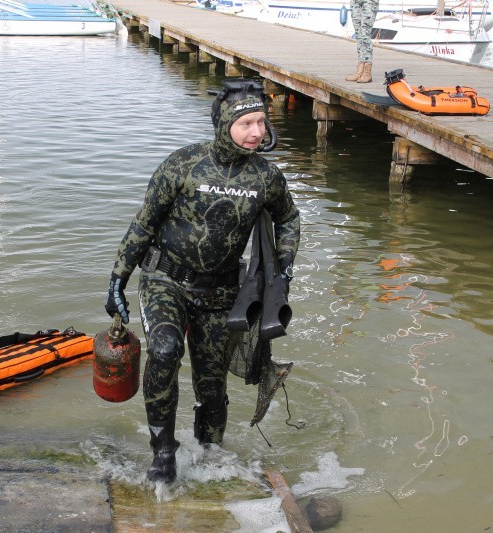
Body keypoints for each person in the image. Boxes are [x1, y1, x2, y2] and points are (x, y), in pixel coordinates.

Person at [104, 79, 301, 483]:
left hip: (222, 291)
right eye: (247, 123)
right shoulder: (183, 165)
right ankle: (163, 451)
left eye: (262, 122)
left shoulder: (266, 177)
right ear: (224, 123)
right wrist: (118, 278)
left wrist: (283, 270)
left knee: (211, 385)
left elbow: (289, 219)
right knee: (164, 349)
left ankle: (211, 453)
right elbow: (144, 223)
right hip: (166, 281)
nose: (257, 132)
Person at [346, 0, 379, 83]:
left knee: (365, 34)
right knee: (359, 34)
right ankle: (360, 71)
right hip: (355, 2)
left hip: (370, 1)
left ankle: (367, 72)